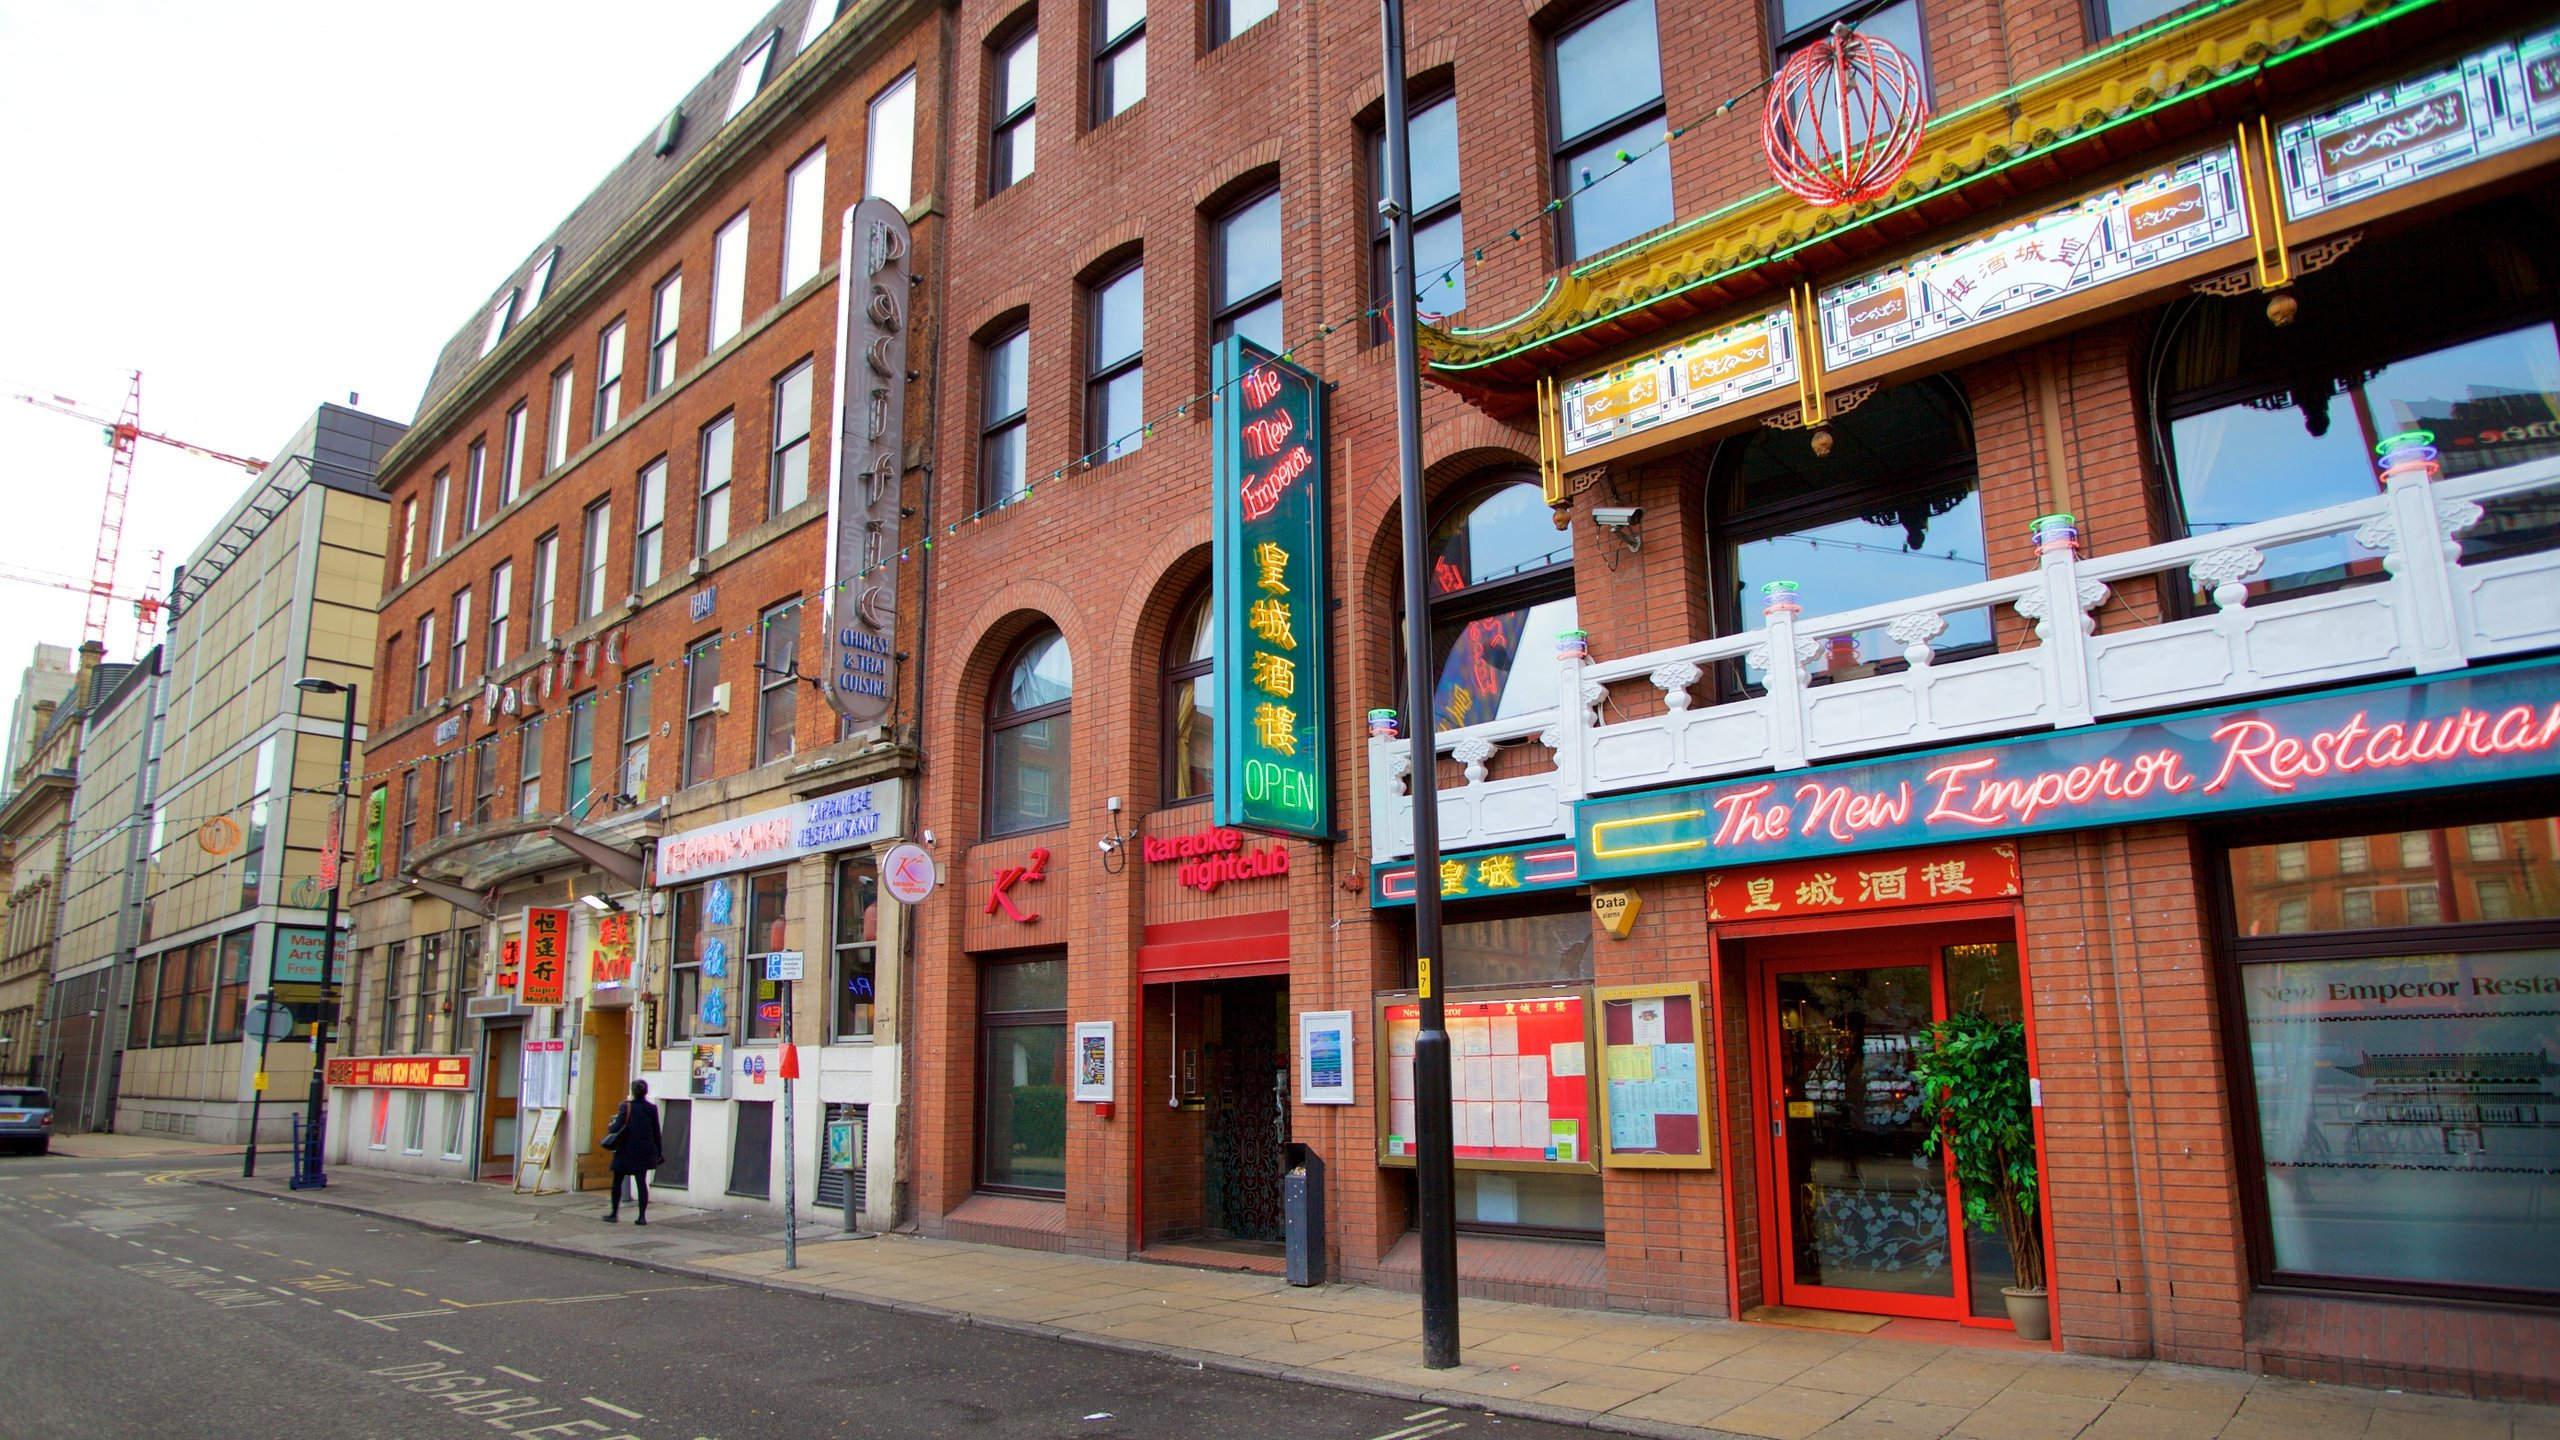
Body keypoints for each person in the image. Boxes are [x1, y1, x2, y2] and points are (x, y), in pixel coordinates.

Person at [605, 1078, 664, 1224]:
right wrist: (659, 1152)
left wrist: (610, 1127)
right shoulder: (651, 1108)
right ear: (645, 1092)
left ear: (633, 1092)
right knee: (641, 1182)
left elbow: (616, 1127)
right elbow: (656, 1132)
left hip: (625, 1149)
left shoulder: (626, 1107)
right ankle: (642, 1216)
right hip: (644, 1150)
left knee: (617, 1181)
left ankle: (614, 1213)